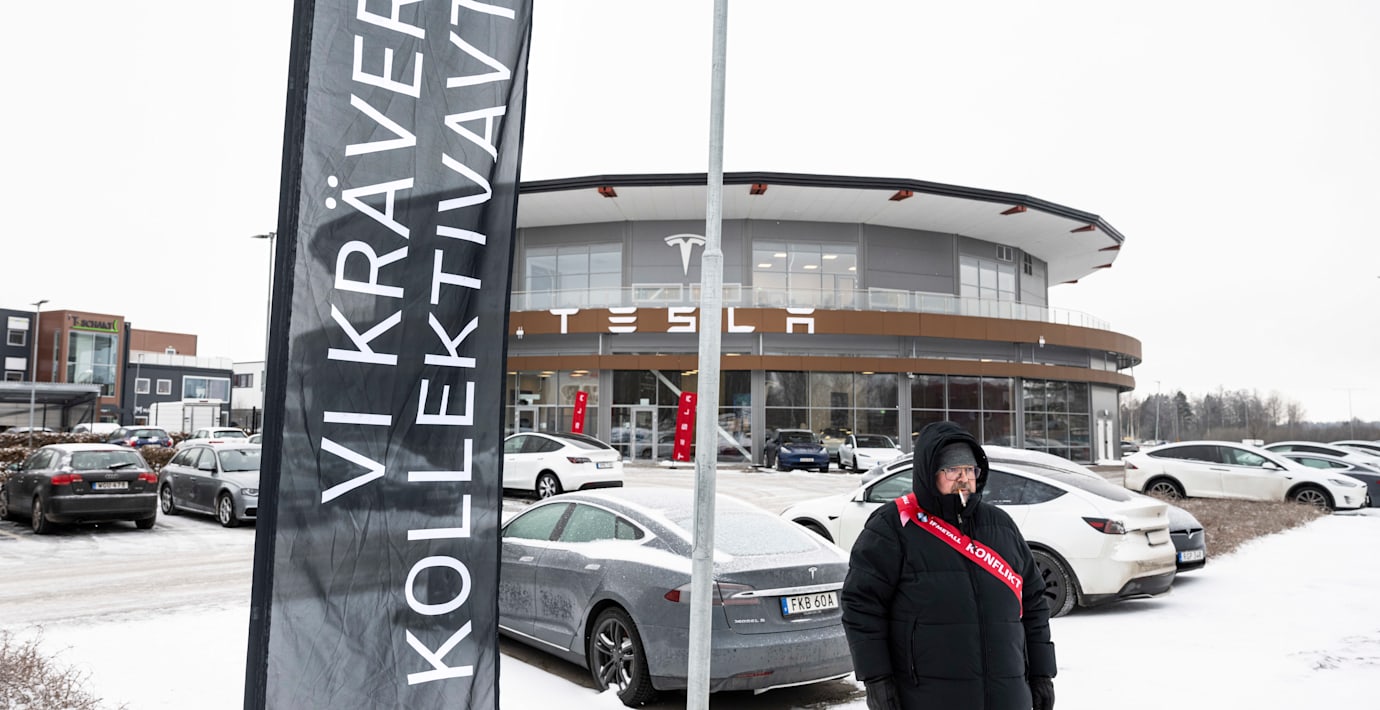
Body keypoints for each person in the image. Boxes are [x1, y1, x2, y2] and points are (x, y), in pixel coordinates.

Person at [841, 421, 1057, 710]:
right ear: (930, 474)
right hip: (927, 695)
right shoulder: (893, 526)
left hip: (1007, 694)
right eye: (952, 470)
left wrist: (1042, 673)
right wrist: (877, 679)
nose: (963, 479)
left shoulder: (1001, 526)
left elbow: (1033, 603)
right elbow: (862, 606)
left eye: (970, 470)